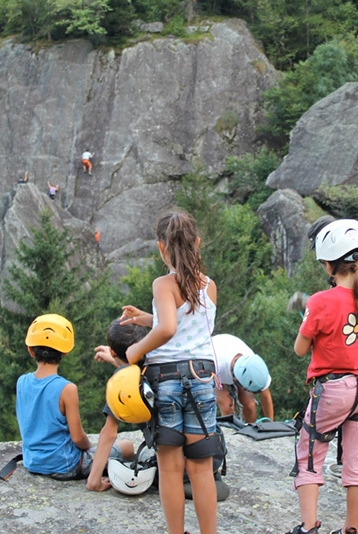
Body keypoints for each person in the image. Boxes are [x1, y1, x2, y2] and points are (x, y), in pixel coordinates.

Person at [120, 208, 219, 534]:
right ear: (198, 243)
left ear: (162, 247)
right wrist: (145, 318)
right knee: (201, 467)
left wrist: (135, 350)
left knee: (172, 467)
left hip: (167, 379)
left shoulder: (163, 284)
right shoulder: (209, 286)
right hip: (203, 376)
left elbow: (169, 329)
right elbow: (187, 326)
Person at [288, 218, 358, 534]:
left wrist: (308, 317)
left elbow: (301, 349)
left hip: (331, 389)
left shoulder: (320, 301)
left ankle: (309, 526)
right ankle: (351, 529)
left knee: (310, 455)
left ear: (329, 264)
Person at [16, 314, 130, 481]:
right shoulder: (66, 389)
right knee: (127, 446)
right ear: (65, 352)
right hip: (65, 465)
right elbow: (77, 438)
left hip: (32, 462)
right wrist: (90, 447)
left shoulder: (22, 382)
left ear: (30, 350)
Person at [87, 318, 147, 491]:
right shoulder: (156, 363)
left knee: (132, 449)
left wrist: (94, 480)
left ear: (112, 351)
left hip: (163, 456)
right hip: (187, 448)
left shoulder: (122, 383)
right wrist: (117, 361)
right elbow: (137, 371)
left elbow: (109, 432)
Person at [211, 333, 274, 423]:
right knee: (227, 406)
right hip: (214, 372)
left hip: (232, 358)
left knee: (250, 405)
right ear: (237, 380)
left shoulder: (255, 367)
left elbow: (266, 397)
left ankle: (250, 430)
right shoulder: (216, 364)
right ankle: (230, 433)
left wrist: (270, 424)